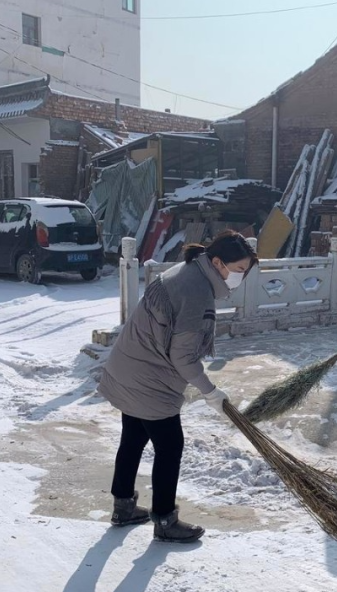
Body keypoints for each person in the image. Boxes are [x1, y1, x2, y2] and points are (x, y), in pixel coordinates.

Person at [99, 230, 257, 543]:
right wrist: (211, 392)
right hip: (149, 378)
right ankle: (165, 519)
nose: (241, 277)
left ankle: (123, 507)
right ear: (217, 262)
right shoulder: (196, 291)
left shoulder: (188, 269)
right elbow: (183, 357)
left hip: (129, 365)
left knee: (133, 438)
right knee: (170, 447)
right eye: (239, 270)